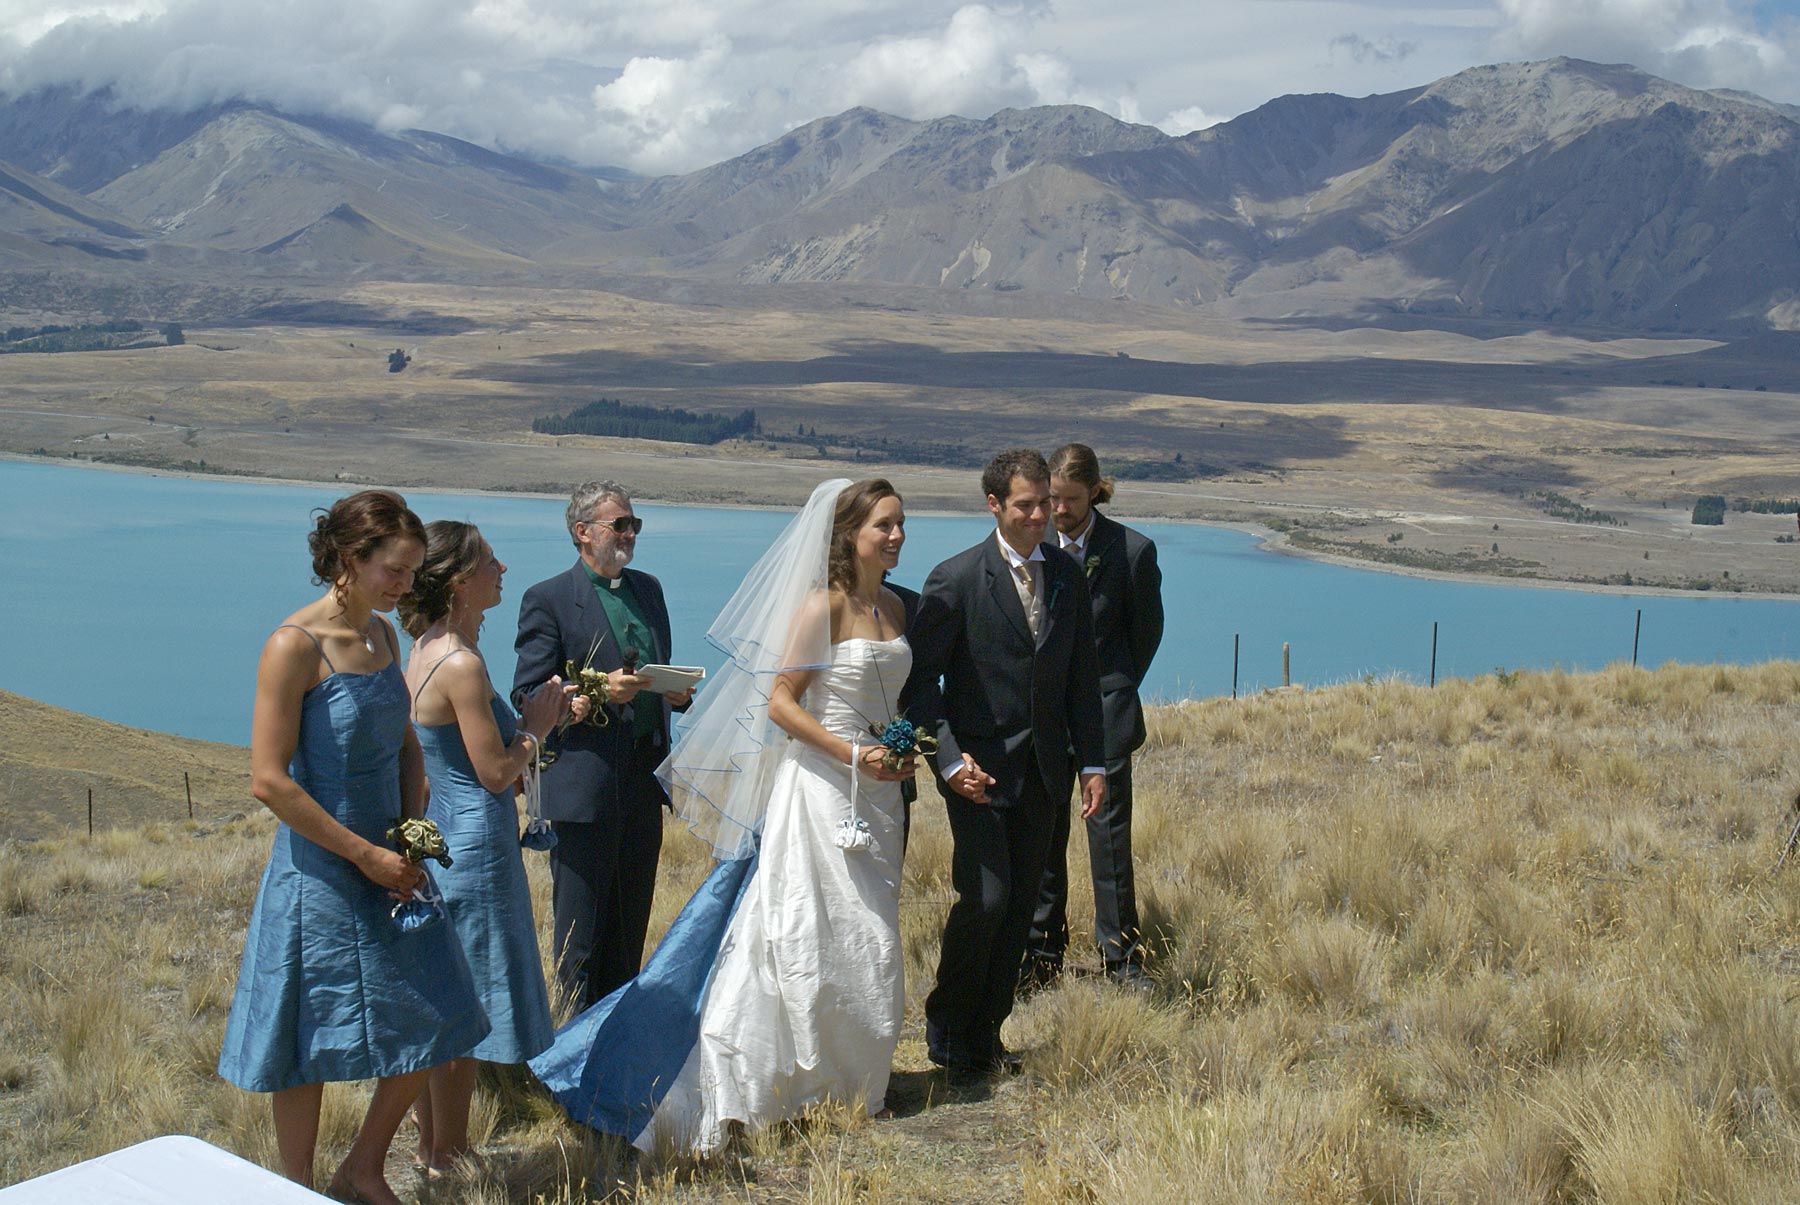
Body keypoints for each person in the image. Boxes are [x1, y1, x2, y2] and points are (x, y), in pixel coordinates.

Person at [531, 478, 914, 1154]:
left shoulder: (895, 607)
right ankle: (768, 1078)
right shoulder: (821, 605)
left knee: (870, 931)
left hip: (877, 795)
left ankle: (853, 1080)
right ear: (849, 533)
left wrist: (899, 748)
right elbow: (782, 703)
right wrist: (855, 753)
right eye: (883, 524)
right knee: (804, 928)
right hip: (822, 787)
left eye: (900, 522)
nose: (897, 535)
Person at [217, 490, 489, 1205]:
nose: (405, 585)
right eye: (393, 569)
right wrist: (362, 855)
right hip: (319, 870)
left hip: (393, 865)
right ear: (347, 557)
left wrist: (409, 838)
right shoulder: (293, 645)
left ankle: (362, 1168)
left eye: (413, 571)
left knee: (439, 1010)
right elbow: (269, 780)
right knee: (305, 1039)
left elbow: (406, 746)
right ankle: (297, 1189)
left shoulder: (384, 638)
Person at [904, 449, 1106, 1080]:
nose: (1041, 515)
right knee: (986, 900)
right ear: (994, 504)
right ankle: (947, 1026)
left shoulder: (1067, 577)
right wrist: (947, 761)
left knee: (1021, 909)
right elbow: (919, 685)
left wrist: (1093, 763)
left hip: (1045, 773)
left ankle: (987, 1036)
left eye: (1046, 502)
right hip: (978, 776)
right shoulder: (957, 579)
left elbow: (1081, 679)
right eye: (1026, 505)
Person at [399, 521, 572, 1175]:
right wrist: (538, 727)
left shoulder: (425, 649)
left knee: (445, 996)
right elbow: (496, 771)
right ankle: (448, 1151)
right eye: (490, 562)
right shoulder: (461, 663)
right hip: (476, 848)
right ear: (459, 582)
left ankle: (434, 1144)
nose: (503, 569)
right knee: (467, 1005)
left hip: (446, 837)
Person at [512, 481, 692, 1014]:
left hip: (643, 783)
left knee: (629, 930)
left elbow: (653, 668)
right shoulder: (548, 598)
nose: (630, 534)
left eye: (635, 524)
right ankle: (571, 1043)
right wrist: (591, 693)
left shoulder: (648, 589)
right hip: (584, 790)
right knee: (581, 937)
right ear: (583, 532)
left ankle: (616, 1042)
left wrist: (676, 692)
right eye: (620, 525)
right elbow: (527, 693)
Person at [1026, 443, 1165, 990]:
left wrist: (1110, 692)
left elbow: (1143, 636)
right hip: (1044, 720)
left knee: (1108, 841)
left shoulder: (1132, 551)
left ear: (1095, 493)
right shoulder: (1032, 543)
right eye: (1053, 499)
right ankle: (1041, 956)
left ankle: (1122, 959)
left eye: (1071, 500)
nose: (1058, 510)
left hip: (1105, 717)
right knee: (1043, 838)